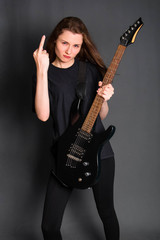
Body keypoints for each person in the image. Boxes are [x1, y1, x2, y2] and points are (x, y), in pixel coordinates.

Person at [32, 16, 120, 240]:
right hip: (65, 154)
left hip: (99, 153)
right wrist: (42, 71)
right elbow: (43, 115)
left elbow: (101, 114)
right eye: (64, 43)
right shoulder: (45, 73)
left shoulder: (89, 71)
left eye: (76, 45)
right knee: (49, 227)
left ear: (82, 46)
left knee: (107, 213)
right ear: (54, 41)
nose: (69, 50)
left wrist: (105, 98)